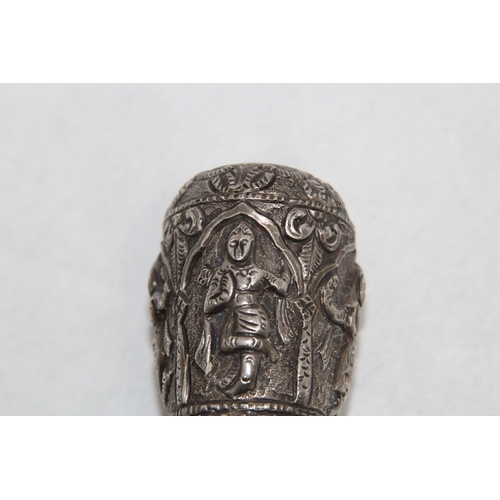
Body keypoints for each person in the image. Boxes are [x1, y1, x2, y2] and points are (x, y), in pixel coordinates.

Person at [204, 221, 289, 397]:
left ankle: (260, 347)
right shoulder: (222, 273)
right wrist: (224, 297)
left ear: (252, 245)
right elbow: (207, 306)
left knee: (246, 380)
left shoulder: (260, 273)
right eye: (233, 244)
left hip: (254, 319)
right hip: (233, 320)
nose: (238, 249)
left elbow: (282, 287)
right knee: (225, 345)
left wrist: (287, 267)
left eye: (244, 243)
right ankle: (261, 345)